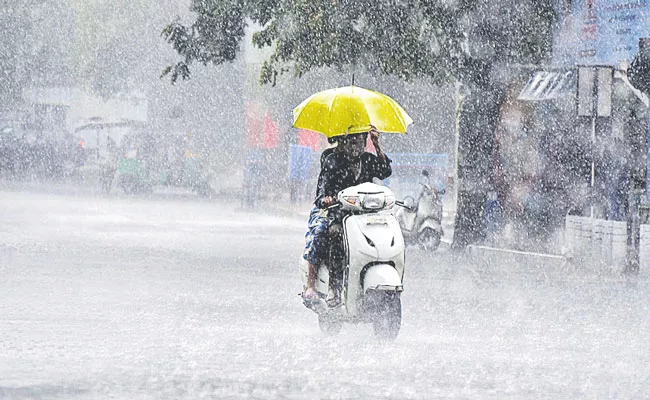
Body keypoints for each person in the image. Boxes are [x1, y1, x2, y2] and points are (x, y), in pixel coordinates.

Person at [302, 126, 392, 306]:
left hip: (365, 217)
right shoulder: (332, 161)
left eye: (360, 141)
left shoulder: (367, 160)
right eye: (352, 141)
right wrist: (327, 199)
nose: (356, 146)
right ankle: (331, 288)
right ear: (343, 141)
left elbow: (385, 171)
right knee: (333, 235)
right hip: (339, 216)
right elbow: (320, 195)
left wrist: (377, 144)